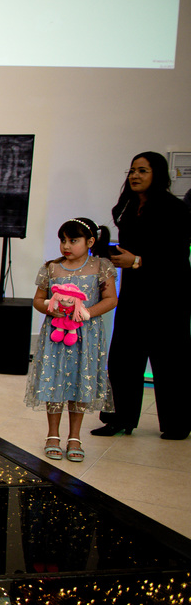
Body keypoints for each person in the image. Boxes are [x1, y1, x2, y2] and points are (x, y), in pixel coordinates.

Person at [92, 152, 191, 440]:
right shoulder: (129, 207)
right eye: (132, 170)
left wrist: (137, 261)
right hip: (135, 293)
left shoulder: (175, 209)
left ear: (157, 174)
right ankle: (119, 419)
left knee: (169, 361)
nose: (135, 176)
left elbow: (176, 256)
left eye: (142, 170)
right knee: (123, 359)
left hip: (169, 296)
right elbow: (129, 251)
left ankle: (177, 424)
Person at [24, 218, 118, 462]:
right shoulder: (51, 268)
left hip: (86, 335)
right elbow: (38, 300)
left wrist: (86, 313)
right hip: (56, 334)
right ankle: (52, 435)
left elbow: (111, 299)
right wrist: (50, 307)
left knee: (79, 380)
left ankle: (75, 437)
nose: (66, 246)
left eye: (73, 240)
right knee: (54, 380)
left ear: (90, 242)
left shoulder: (101, 266)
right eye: (63, 240)